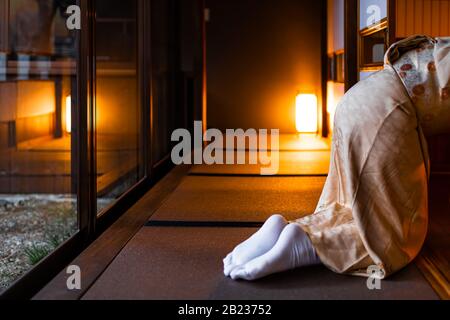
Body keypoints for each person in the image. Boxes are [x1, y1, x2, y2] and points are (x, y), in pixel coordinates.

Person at [224, 35, 450, 281]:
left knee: (353, 205)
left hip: (360, 98)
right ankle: (307, 247)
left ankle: (290, 229)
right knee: (394, 235)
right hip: (387, 112)